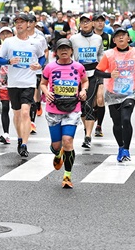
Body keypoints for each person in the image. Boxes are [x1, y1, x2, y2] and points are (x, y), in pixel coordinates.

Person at [95, 27, 135, 162]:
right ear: (114, 40)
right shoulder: (109, 55)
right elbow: (97, 72)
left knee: (126, 119)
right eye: (117, 36)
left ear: (128, 38)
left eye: (123, 35)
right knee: (117, 123)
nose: (121, 38)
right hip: (113, 93)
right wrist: (109, 75)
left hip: (131, 91)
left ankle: (126, 149)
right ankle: (120, 146)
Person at [41, 38, 88, 188]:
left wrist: (83, 90)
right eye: (61, 49)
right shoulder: (50, 67)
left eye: (66, 48)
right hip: (54, 108)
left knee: (67, 141)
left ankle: (67, 176)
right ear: (56, 51)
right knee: (56, 145)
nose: (64, 51)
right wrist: (46, 92)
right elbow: (42, 83)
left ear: (71, 50)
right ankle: (57, 153)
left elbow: (85, 81)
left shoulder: (79, 67)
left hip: (72, 108)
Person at [0, 14, 46, 157]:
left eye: (22, 22)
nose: (19, 25)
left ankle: (24, 144)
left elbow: (42, 57)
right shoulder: (9, 42)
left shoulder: (35, 42)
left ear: (28, 25)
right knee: (17, 113)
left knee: (25, 112)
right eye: (16, 22)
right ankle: (19, 138)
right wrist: (8, 61)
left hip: (29, 82)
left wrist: (39, 65)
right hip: (13, 83)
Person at [69, 13, 104, 149]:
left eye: (88, 22)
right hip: (78, 75)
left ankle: (88, 136)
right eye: (82, 22)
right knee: (82, 106)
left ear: (92, 24)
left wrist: (101, 67)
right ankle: (86, 129)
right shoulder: (73, 39)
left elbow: (100, 54)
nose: (85, 24)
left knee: (89, 104)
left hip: (93, 74)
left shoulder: (98, 38)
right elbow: (69, 54)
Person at [0, 26, 14, 144]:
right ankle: (6, 133)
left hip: (18, 81)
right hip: (3, 82)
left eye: (8, 33)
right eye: (3, 34)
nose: (6, 36)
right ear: (0, 36)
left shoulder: (17, 46)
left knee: (20, 109)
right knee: (5, 107)